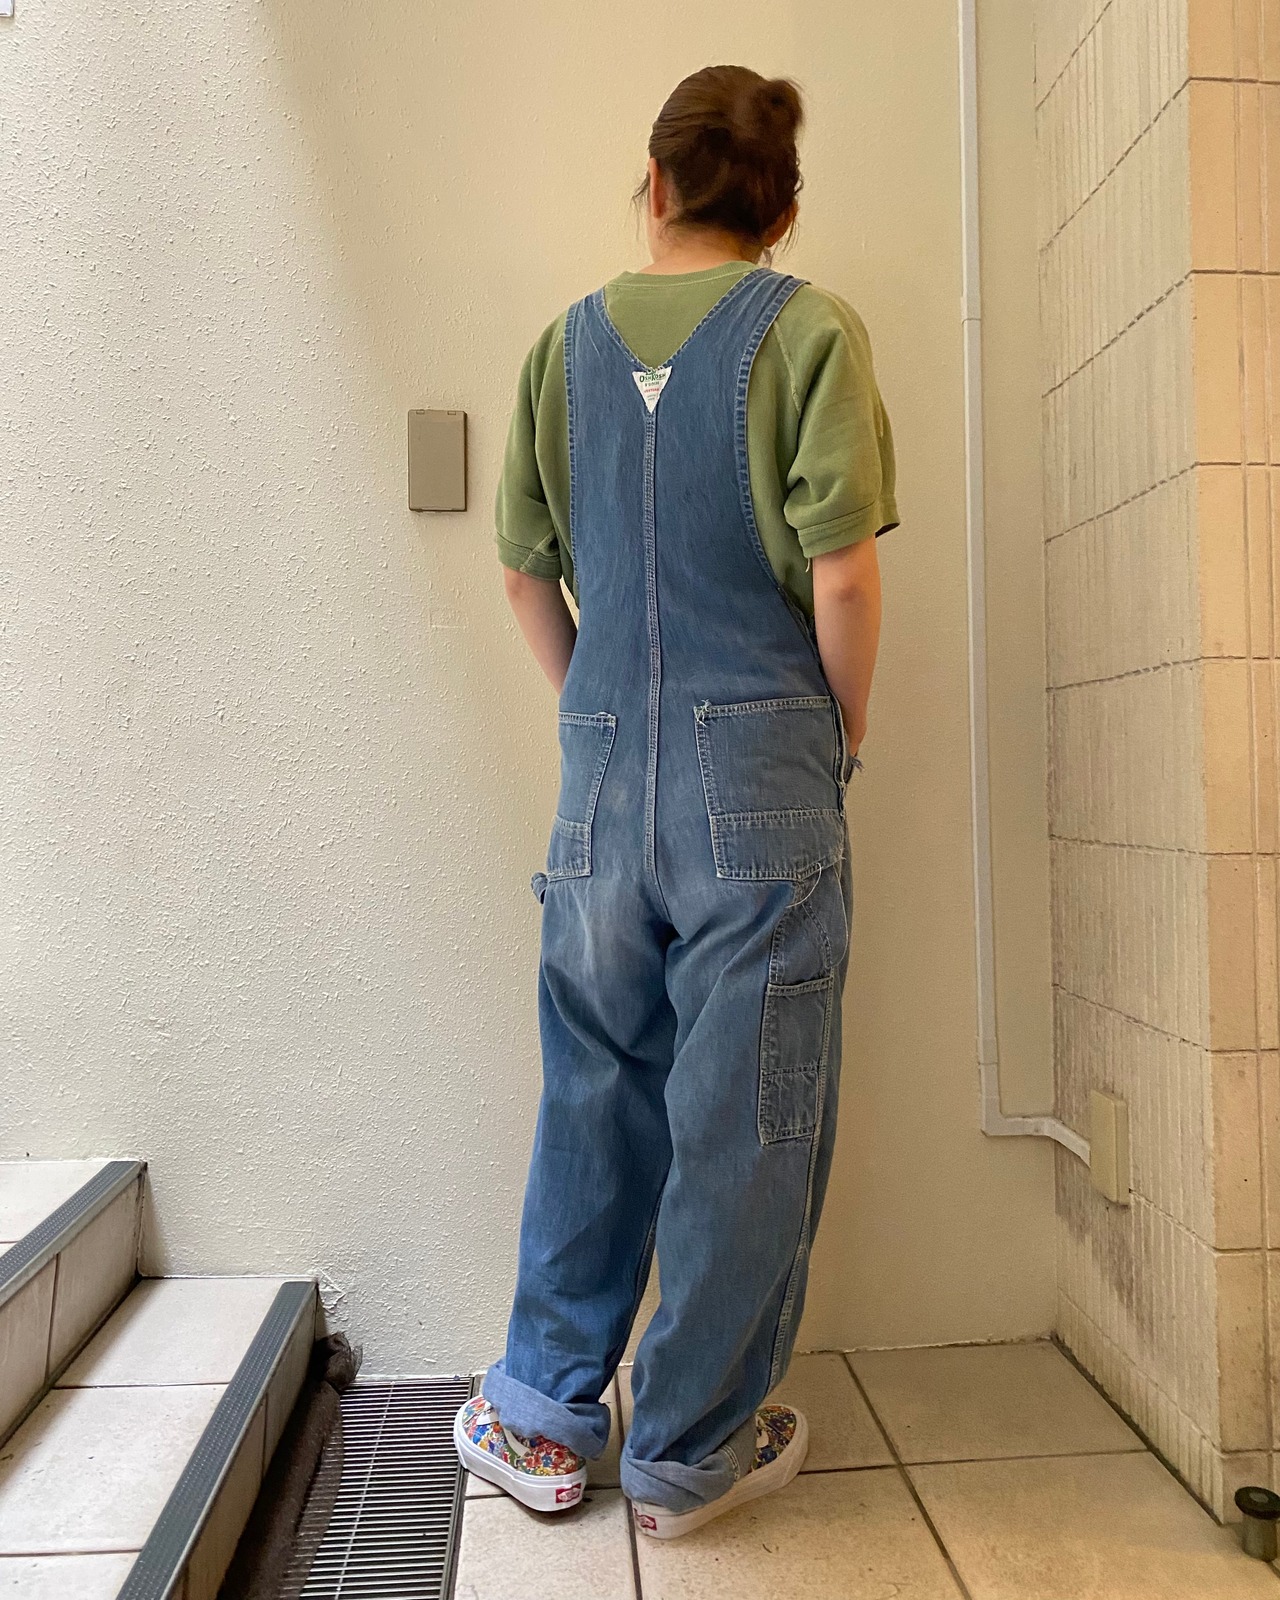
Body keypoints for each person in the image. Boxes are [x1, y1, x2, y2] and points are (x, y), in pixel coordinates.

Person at [454, 63, 896, 1540]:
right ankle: (692, 1450)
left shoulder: (559, 349)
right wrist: (840, 720)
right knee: (750, 1110)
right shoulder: (810, 332)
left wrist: (596, 712)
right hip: (761, 775)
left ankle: (539, 1420)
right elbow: (844, 575)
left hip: (601, 771)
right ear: (780, 210)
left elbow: (525, 573)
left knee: (595, 1086)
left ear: (652, 183)